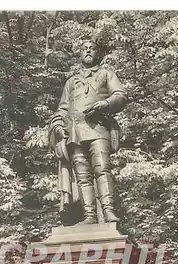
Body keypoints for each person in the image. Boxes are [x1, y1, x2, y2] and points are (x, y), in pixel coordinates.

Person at [49, 39, 127, 224]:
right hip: (75, 134)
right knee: (82, 177)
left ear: (97, 53)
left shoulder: (106, 74)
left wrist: (105, 104)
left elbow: (121, 95)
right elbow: (62, 109)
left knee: (102, 169)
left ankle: (108, 211)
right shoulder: (71, 82)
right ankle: (90, 215)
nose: (88, 51)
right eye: (85, 49)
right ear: (80, 54)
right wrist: (58, 126)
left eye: (92, 49)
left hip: (98, 130)